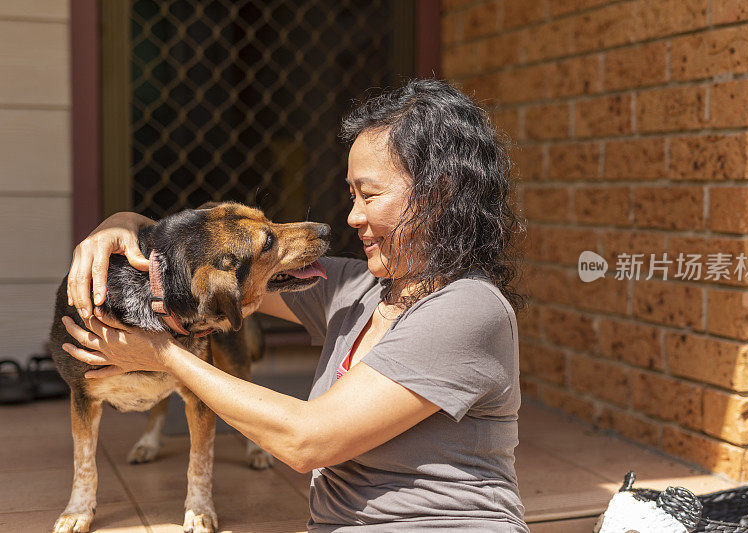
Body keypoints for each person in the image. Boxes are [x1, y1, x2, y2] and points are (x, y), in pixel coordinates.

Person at [61, 78, 529, 532]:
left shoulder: (467, 309)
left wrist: (161, 355)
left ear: (440, 194)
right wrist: (121, 226)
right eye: (352, 195)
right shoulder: (357, 290)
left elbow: (307, 441)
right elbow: (213, 264)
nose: (352, 217)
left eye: (370, 195)